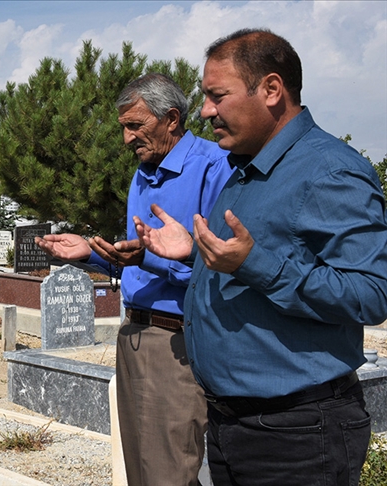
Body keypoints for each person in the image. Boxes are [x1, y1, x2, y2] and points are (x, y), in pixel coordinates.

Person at [134, 29, 387, 485]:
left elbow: (371, 294)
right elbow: (247, 262)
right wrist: (195, 252)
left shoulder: (330, 170)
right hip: (236, 426)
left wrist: (256, 265)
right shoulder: (248, 168)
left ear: (271, 90)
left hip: (297, 435)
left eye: (217, 96)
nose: (206, 110)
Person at [35, 73, 233, 485]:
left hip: (179, 343)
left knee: (169, 475)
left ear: (172, 119)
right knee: (142, 473)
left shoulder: (214, 168)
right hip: (135, 335)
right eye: (123, 127)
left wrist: (156, 260)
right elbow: (138, 260)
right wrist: (90, 253)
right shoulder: (144, 171)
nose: (126, 139)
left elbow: (223, 267)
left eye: (135, 126)